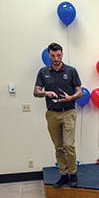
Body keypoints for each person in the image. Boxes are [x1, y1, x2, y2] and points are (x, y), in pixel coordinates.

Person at [34, 42, 82, 188]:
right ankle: (64, 175)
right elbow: (36, 92)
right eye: (53, 55)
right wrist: (45, 93)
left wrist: (71, 97)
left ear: (62, 54)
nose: (56, 58)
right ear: (48, 55)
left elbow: (79, 92)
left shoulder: (71, 70)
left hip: (68, 112)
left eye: (59, 55)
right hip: (52, 114)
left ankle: (73, 174)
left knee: (69, 145)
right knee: (59, 147)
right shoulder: (43, 72)